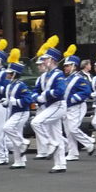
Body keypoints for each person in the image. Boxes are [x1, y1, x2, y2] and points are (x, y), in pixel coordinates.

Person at [31, 35, 67, 173]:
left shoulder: (58, 74)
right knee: (57, 133)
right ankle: (60, 164)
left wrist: (44, 95)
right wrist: (37, 96)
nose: (44, 61)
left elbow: (60, 91)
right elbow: (35, 90)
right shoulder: (44, 76)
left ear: (52, 60)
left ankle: (50, 144)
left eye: (46, 58)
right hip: (50, 106)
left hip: (57, 105)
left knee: (36, 122)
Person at [62, 45, 94, 161]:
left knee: (73, 129)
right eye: (65, 65)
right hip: (68, 107)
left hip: (78, 106)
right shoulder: (67, 79)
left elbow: (86, 91)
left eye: (68, 65)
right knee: (68, 131)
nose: (65, 67)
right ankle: (73, 152)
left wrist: (74, 98)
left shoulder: (79, 78)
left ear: (74, 66)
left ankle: (89, 143)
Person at [2, 48, 33, 169]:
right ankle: (19, 160)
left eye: (10, 73)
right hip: (15, 111)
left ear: (14, 74)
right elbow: (10, 99)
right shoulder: (11, 85)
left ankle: (23, 143)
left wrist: (16, 102)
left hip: (21, 112)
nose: (7, 74)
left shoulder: (21, 85)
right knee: (15, 133)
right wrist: (7, 102)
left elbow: (28, 99)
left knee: (7, 128)